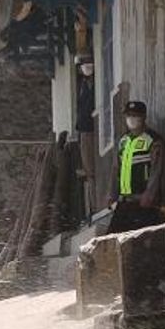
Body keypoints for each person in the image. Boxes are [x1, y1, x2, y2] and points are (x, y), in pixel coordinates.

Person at [106, 101, 165, 234]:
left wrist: (149, 195)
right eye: (129, 116)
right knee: (111, 240)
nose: (131, 119)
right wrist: (111, 195)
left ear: (143, 117)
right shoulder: (123, 141)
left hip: (144, 203)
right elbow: (116, 170)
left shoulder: (153, 140)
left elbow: (156, 171)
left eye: (135, 116)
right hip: (124, 202)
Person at [75, 55, 96, 216]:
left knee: (91, 170)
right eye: (84, 66)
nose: (87, 68)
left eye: (90, 65)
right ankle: (91, 207)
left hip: (92, 128)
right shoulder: (81, 84)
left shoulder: (95, 84)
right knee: (87, 169)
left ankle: (94, 206)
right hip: (84, 129)